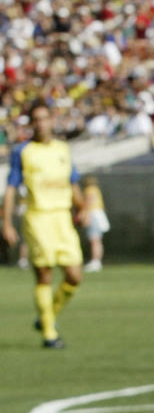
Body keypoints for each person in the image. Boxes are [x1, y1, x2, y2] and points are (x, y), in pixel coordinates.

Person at [2, 100, 87, 348]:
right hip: (38, 217)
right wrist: (6, 223)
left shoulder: (62, 149)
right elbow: (10, 189)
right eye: (36, 119)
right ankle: (50, 335)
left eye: (44, 118)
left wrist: (83, 209)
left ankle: (48, 315)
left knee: (74, 275)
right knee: (45, 274)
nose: (40, 123)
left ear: (52, 120)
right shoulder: (23, 151)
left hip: (62, 217)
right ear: (31, 123)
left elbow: (73, 184)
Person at [80, 174, 110, 271]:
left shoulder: (90, 189)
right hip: (98, 214)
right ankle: (96, 261)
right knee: (97, 240)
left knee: (94, 239)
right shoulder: (95, 188)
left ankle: (95, 261)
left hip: (93, 214)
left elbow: (89, 201)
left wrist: (84, 214)